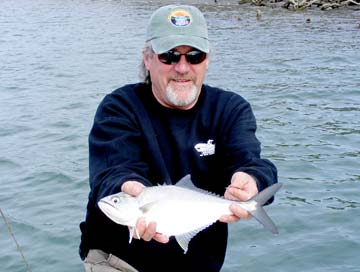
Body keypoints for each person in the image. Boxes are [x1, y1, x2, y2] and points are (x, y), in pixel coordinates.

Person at [79, 4, 278, 272]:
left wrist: (252, 181)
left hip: (198, 265)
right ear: (147, 59)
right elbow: (113, 172)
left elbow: (251, 161)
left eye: (194, 56)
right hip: (119, 261)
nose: (182, 67)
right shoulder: (119, 107)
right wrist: (129, 188)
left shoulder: (230, 109)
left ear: (207, 59)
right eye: (169, 56)